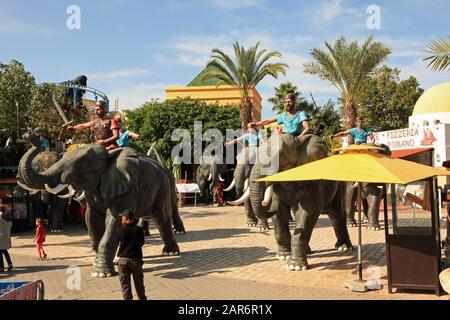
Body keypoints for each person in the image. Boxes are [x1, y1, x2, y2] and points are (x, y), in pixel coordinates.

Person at [117, 214, 147, 300]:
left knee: (125, 284)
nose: (121, 219)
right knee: (139, 283)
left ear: (126, 218)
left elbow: (117, 241)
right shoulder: (139, 230)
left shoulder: (119, 230)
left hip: (123, 260)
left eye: (122, 217)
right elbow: (142, 243)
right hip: (136, 260)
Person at [0, 205, 13, 272]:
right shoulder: (8, 217)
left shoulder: (0, 216)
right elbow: (11, 226)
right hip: (6, 235)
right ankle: (10, 264)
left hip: (0, 236)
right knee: (4, 250)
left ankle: (1, 267)